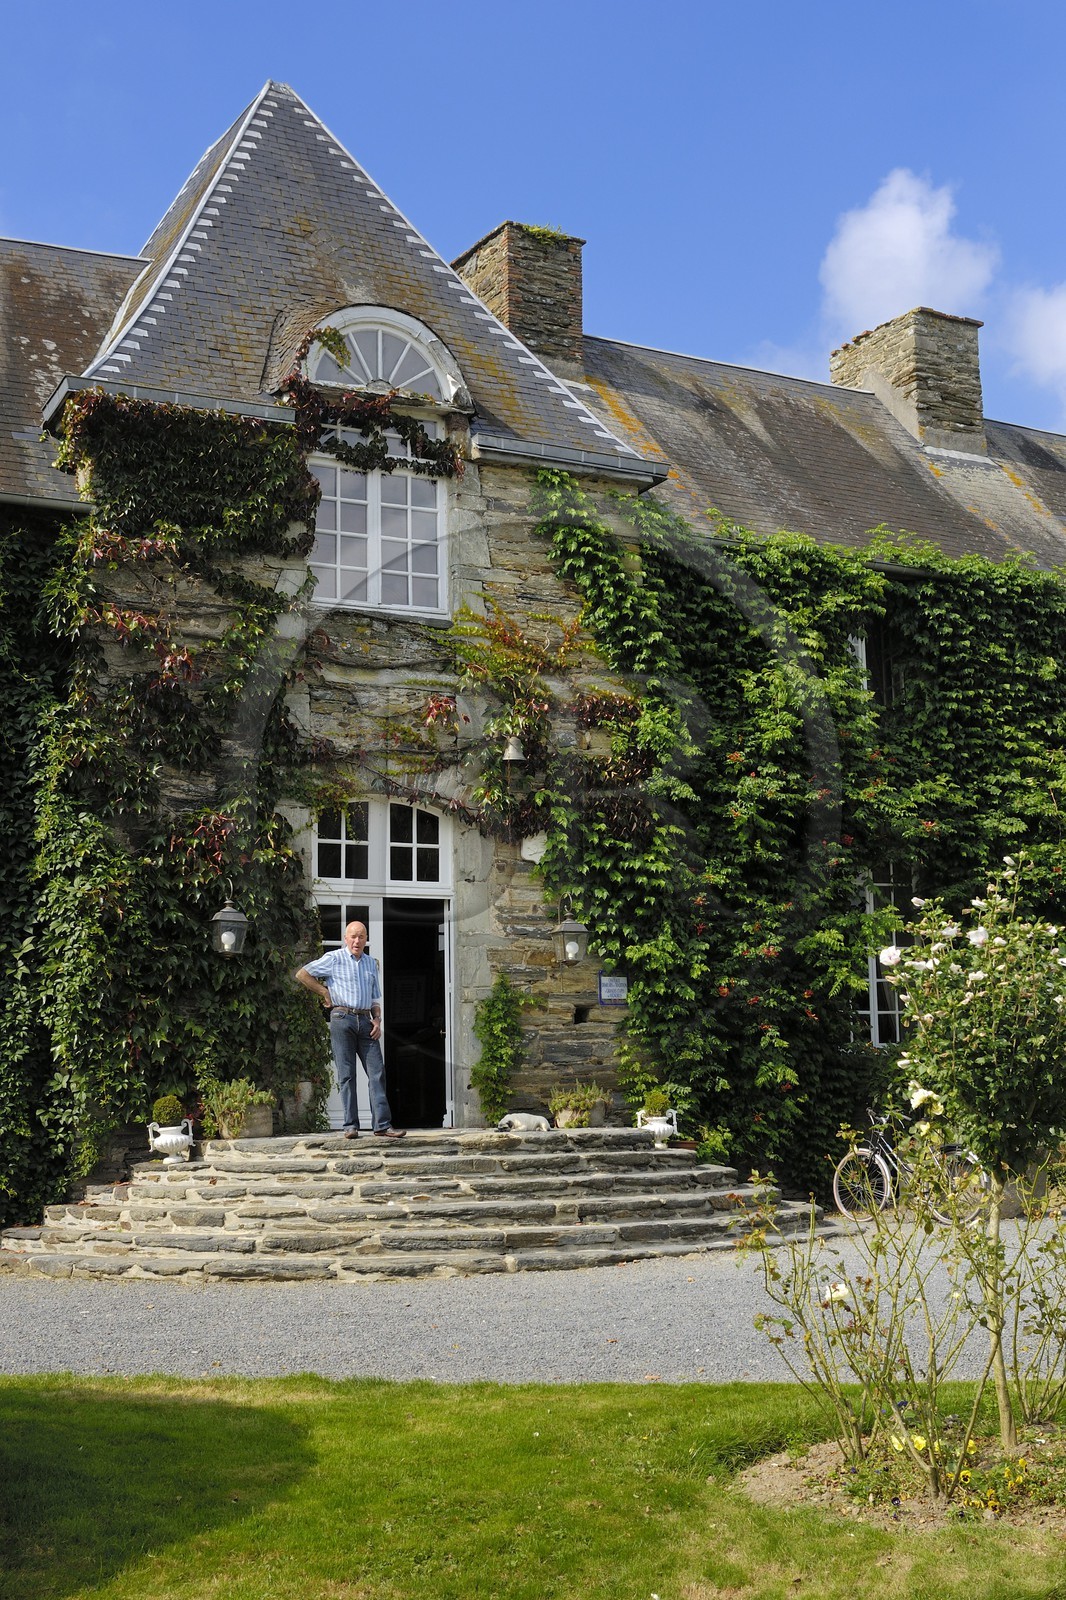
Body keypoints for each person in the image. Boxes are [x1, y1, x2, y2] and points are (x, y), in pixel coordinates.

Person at [294, 921, 406, 1139]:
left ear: (366, 939)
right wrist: (324, 992)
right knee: (347, 1075)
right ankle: (350, 1126)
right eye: (353, 936)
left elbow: (375, 998)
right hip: (342, 1017)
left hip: (366, 1021)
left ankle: (382, 1125)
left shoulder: (371, 963)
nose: (357, 941)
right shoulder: (334, 958)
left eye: (361, 936)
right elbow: (302, 974)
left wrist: (377, 1020)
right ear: (346, 938)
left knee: (377, 1072)